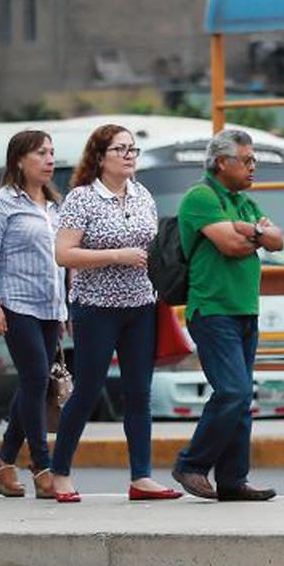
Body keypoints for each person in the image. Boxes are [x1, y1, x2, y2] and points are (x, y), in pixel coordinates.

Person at [50, 125, 180, 502]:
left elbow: (151, 246)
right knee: (87, 389)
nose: (129, 155)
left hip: (141, 306)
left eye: (133, 150)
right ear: (100, 156)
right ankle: (60, 471)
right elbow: (64, 254)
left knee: (139, 392)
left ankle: (141, 477)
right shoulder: (81, 199)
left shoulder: (143, 195)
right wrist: (116, 256)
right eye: (120, 149)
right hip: (95, 308)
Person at [170, 129, 284, 502]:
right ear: (222, 162)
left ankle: (233, 480)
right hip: (213, 310)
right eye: (247, 160)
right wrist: (256, 234)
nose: (253, 168)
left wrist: (247, 228)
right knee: (232, 391)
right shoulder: (201, 197)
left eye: (254, 161)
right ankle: (191, 463)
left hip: (245, 311)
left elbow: (278, 239)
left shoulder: (243, 203)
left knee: (241, 396)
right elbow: (233, 247)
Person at [0, 130, 66, 499]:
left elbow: (60, 261)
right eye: (40, 153)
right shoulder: (0, 202)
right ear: (19, 159)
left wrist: (65, 306)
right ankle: (41, 465)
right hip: (16, 302)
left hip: (50, 304)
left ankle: (1, 463)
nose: (49, 160)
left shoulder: (54, 205)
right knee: (33, 378)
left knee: (38, 382)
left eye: (51, 153)